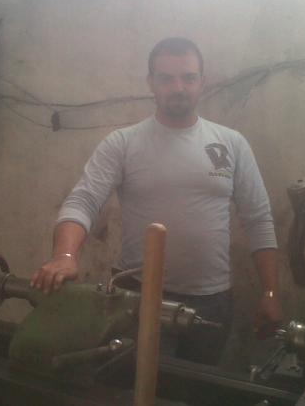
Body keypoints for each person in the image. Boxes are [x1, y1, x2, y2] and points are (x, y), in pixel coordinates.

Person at [31, 37, 282, 365]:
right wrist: (64, 256)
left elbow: (258, 218)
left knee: (196, 387)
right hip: (136, 297)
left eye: (188, 77)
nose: (178, 87)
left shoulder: (231, 144)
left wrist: (270, 292)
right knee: (132, 385)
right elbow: (84, 200)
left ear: (202, 81)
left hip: (211, 303)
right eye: (166, 78)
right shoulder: (123, 143)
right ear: (151, 82)